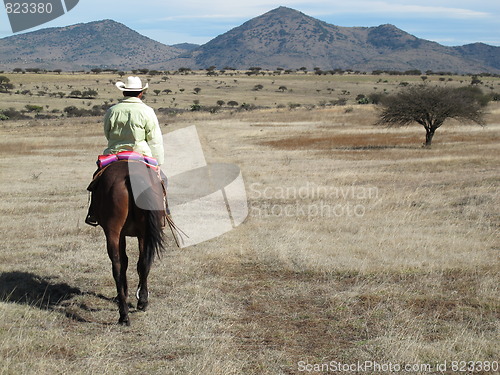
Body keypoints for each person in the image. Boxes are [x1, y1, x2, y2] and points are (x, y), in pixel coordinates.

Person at [85, 76, 165, 226]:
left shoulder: (112, 111)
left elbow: (107, 133)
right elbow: (155, 140)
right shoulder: (147, 111)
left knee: (97, 180)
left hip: (114, 155)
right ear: (141, 93)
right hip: (141, 155)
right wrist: (158, 163)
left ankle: (94, 212)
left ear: (123, 93)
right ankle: (162, 212)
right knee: (162, 180)